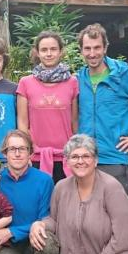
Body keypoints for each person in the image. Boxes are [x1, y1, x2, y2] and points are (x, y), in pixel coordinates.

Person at [77, 24, 128, 197]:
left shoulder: (121, 75)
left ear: (106, 47)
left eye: (97, 47)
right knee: (88, 219)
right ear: (81, 50)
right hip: (84, 161)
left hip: (114, 160)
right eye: (87, 48)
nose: (92, 53)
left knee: (119, 218)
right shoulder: (78, 79)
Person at [17, 31, 79, 182]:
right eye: (44, 50)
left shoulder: (72, 82)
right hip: (36, 158)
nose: (49, 54)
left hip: (66, 158)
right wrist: (26, 153)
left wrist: (76, 152)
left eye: (53, 49)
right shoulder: (26, 83)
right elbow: (23, 123)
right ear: (37, 53)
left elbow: (74, 122)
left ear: (61, 51)